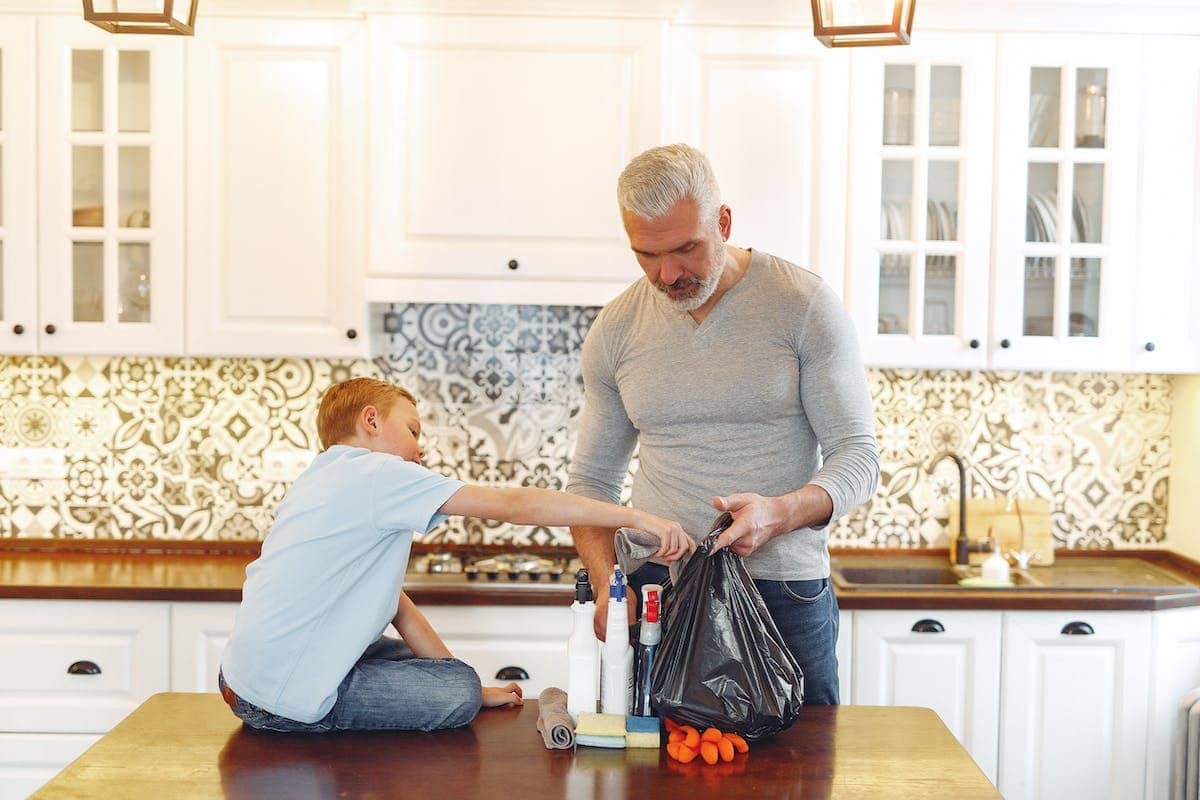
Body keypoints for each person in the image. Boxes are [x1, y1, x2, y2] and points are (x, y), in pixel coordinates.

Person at [566, 144, 880, 705]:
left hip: (780, 590)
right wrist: (608, 586)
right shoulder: (615, 328)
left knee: (799, 773)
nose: (669, 274)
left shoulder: (803, 306)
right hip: (656, 589)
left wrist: (779, 514)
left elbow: (858, 457)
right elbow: (590, 486)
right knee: (655, 773)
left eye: (687, 248)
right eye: (647, 255)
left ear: (724, 222)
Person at [219, 377, 693, 733]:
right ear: (370, 421)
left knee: (453, 679)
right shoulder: (377, 474)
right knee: (457, 694)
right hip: (283, 699)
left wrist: (457, 676)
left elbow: (396, 604)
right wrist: (633, 518)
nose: (420, 449)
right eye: (412, 429)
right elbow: (514, 504)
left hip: (247, 676)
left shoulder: (324, 478)